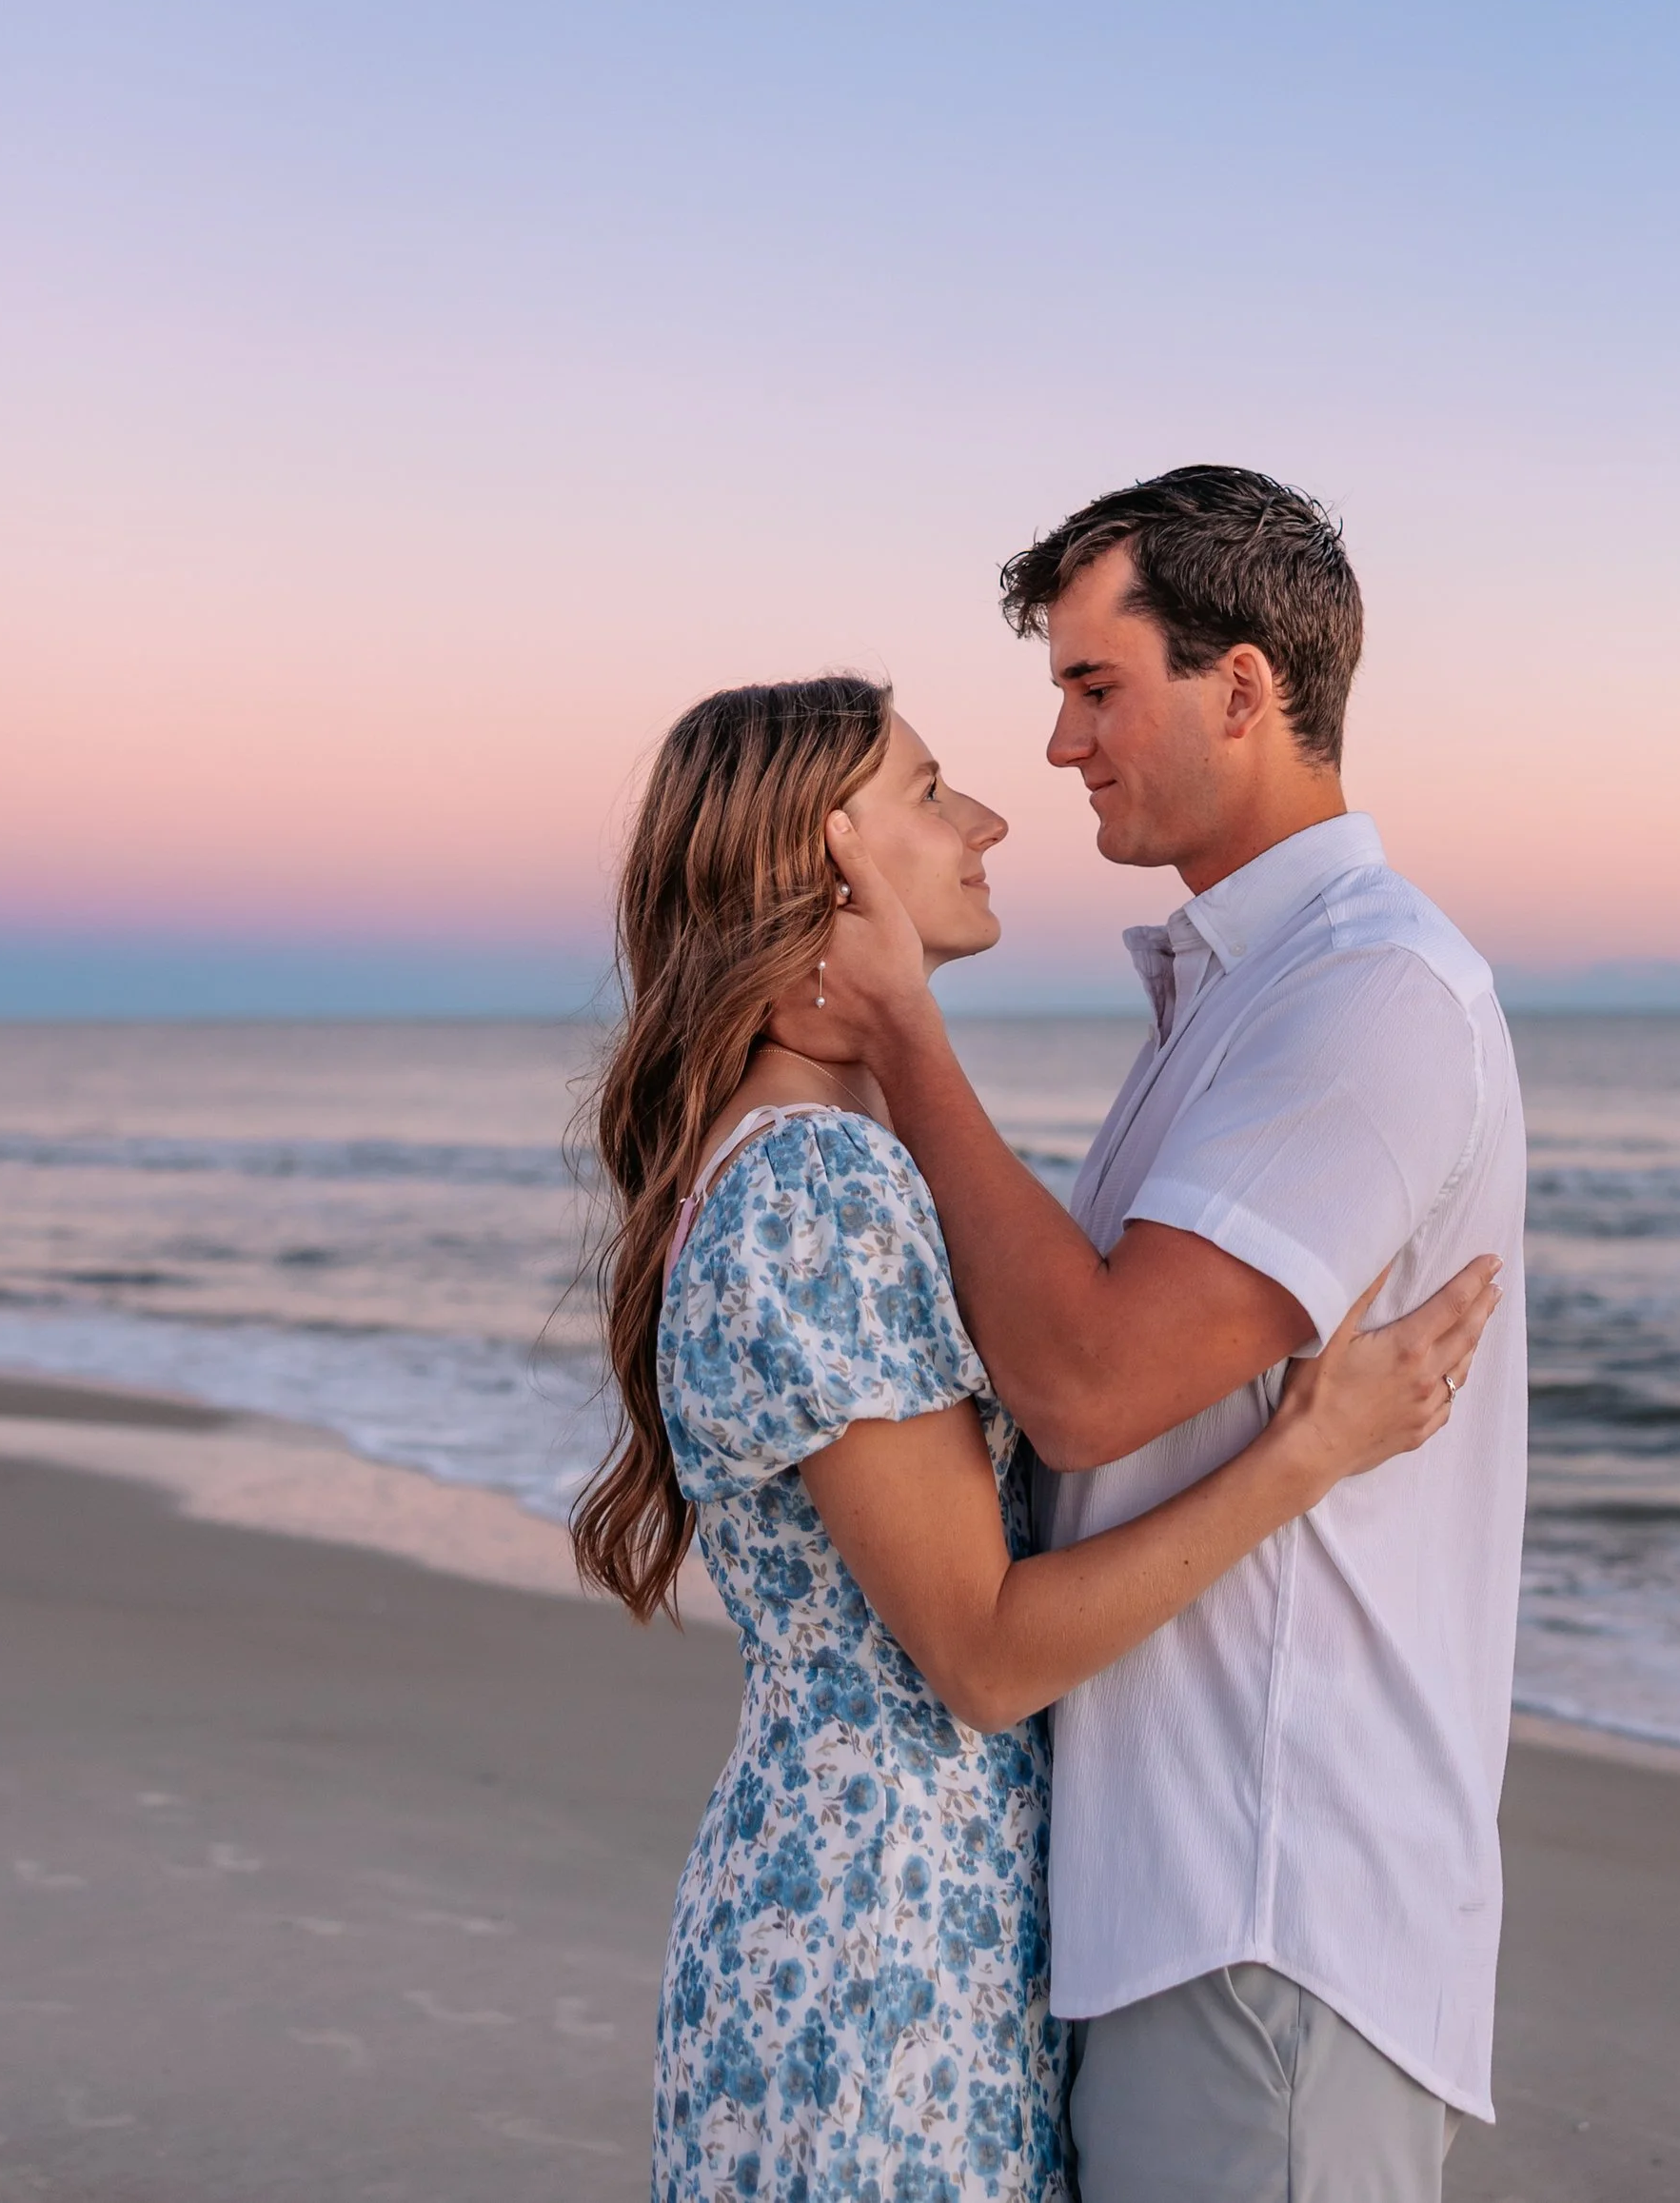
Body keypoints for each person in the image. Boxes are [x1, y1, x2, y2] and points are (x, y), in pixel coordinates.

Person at [573, 670, 1502, 2203]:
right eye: (932, 790)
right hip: (885, 1943)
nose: (992, 814)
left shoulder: (788, 1161)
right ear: (828, 861)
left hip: (852, 1898)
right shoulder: (818, 1186)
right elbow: (985, 1654)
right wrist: (1304, 1455)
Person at [778, 468, 1530, 2203]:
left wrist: (905, 1039)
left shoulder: (1370, 993)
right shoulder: (1249, 992)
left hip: (1267, 1901)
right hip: (1175, 1897)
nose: (1056, 748)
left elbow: (1089, 1386)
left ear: (1245, 688)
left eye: (1095, 687)